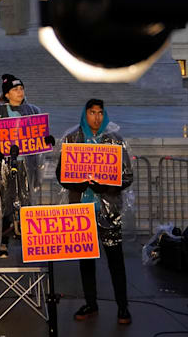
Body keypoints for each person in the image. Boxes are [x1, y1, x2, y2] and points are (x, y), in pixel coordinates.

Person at [56, 99, 133, 325]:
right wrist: (76, 184)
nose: (97, 117)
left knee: (115, 259)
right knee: (86, 261)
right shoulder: (72, 138)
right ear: (85, 114)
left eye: (100, 113)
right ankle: (91, 303)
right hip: (82, 209)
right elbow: (61, 173)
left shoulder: (115, 140)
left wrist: (107, 186)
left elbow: (127, 175)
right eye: (92, 113)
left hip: (108, 210)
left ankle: (123, 307)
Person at [0, 74, 54, 258]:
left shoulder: (32, 110)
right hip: (6, 164)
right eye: (15, 89)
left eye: (21, 88)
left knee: (26, 202)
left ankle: (29, 241)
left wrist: (46, 139)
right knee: (7, 203)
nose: (20, 92)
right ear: (7, 94)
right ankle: (4, 243)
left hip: (26, 164)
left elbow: (39, 133)